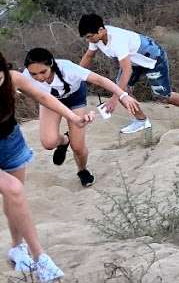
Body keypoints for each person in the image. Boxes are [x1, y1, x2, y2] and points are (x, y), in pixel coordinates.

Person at [1, 48, 90, 282]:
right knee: (14, 190)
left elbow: (43, 97)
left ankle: (17, 248)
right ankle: (41, 258)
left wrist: (72, 117)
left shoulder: (11, 77)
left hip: (10, 140)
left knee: (13, 197)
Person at [23, 46, 145, 188]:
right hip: (50, 101)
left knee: (78, 147)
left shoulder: (67, 68)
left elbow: (100, 80)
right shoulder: (25, 75)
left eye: (42, 72)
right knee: (48, 143)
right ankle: (64, 141)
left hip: (74, 98)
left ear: (51, 63)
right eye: (34, 74)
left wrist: (123, 95)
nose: (39, 77)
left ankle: (82, 170)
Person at [77, 14, 179, 131]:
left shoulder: (117, 40)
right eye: (86, 38)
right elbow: (89, 56)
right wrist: (77, 75)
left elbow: (127, 70)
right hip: (134, 61)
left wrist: (115, 98)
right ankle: (141, 120)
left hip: (153, 59)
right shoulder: (97, 40)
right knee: (122, 90)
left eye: (89, 36)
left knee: (162, 96)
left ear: (101, 30)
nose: (88, 40)